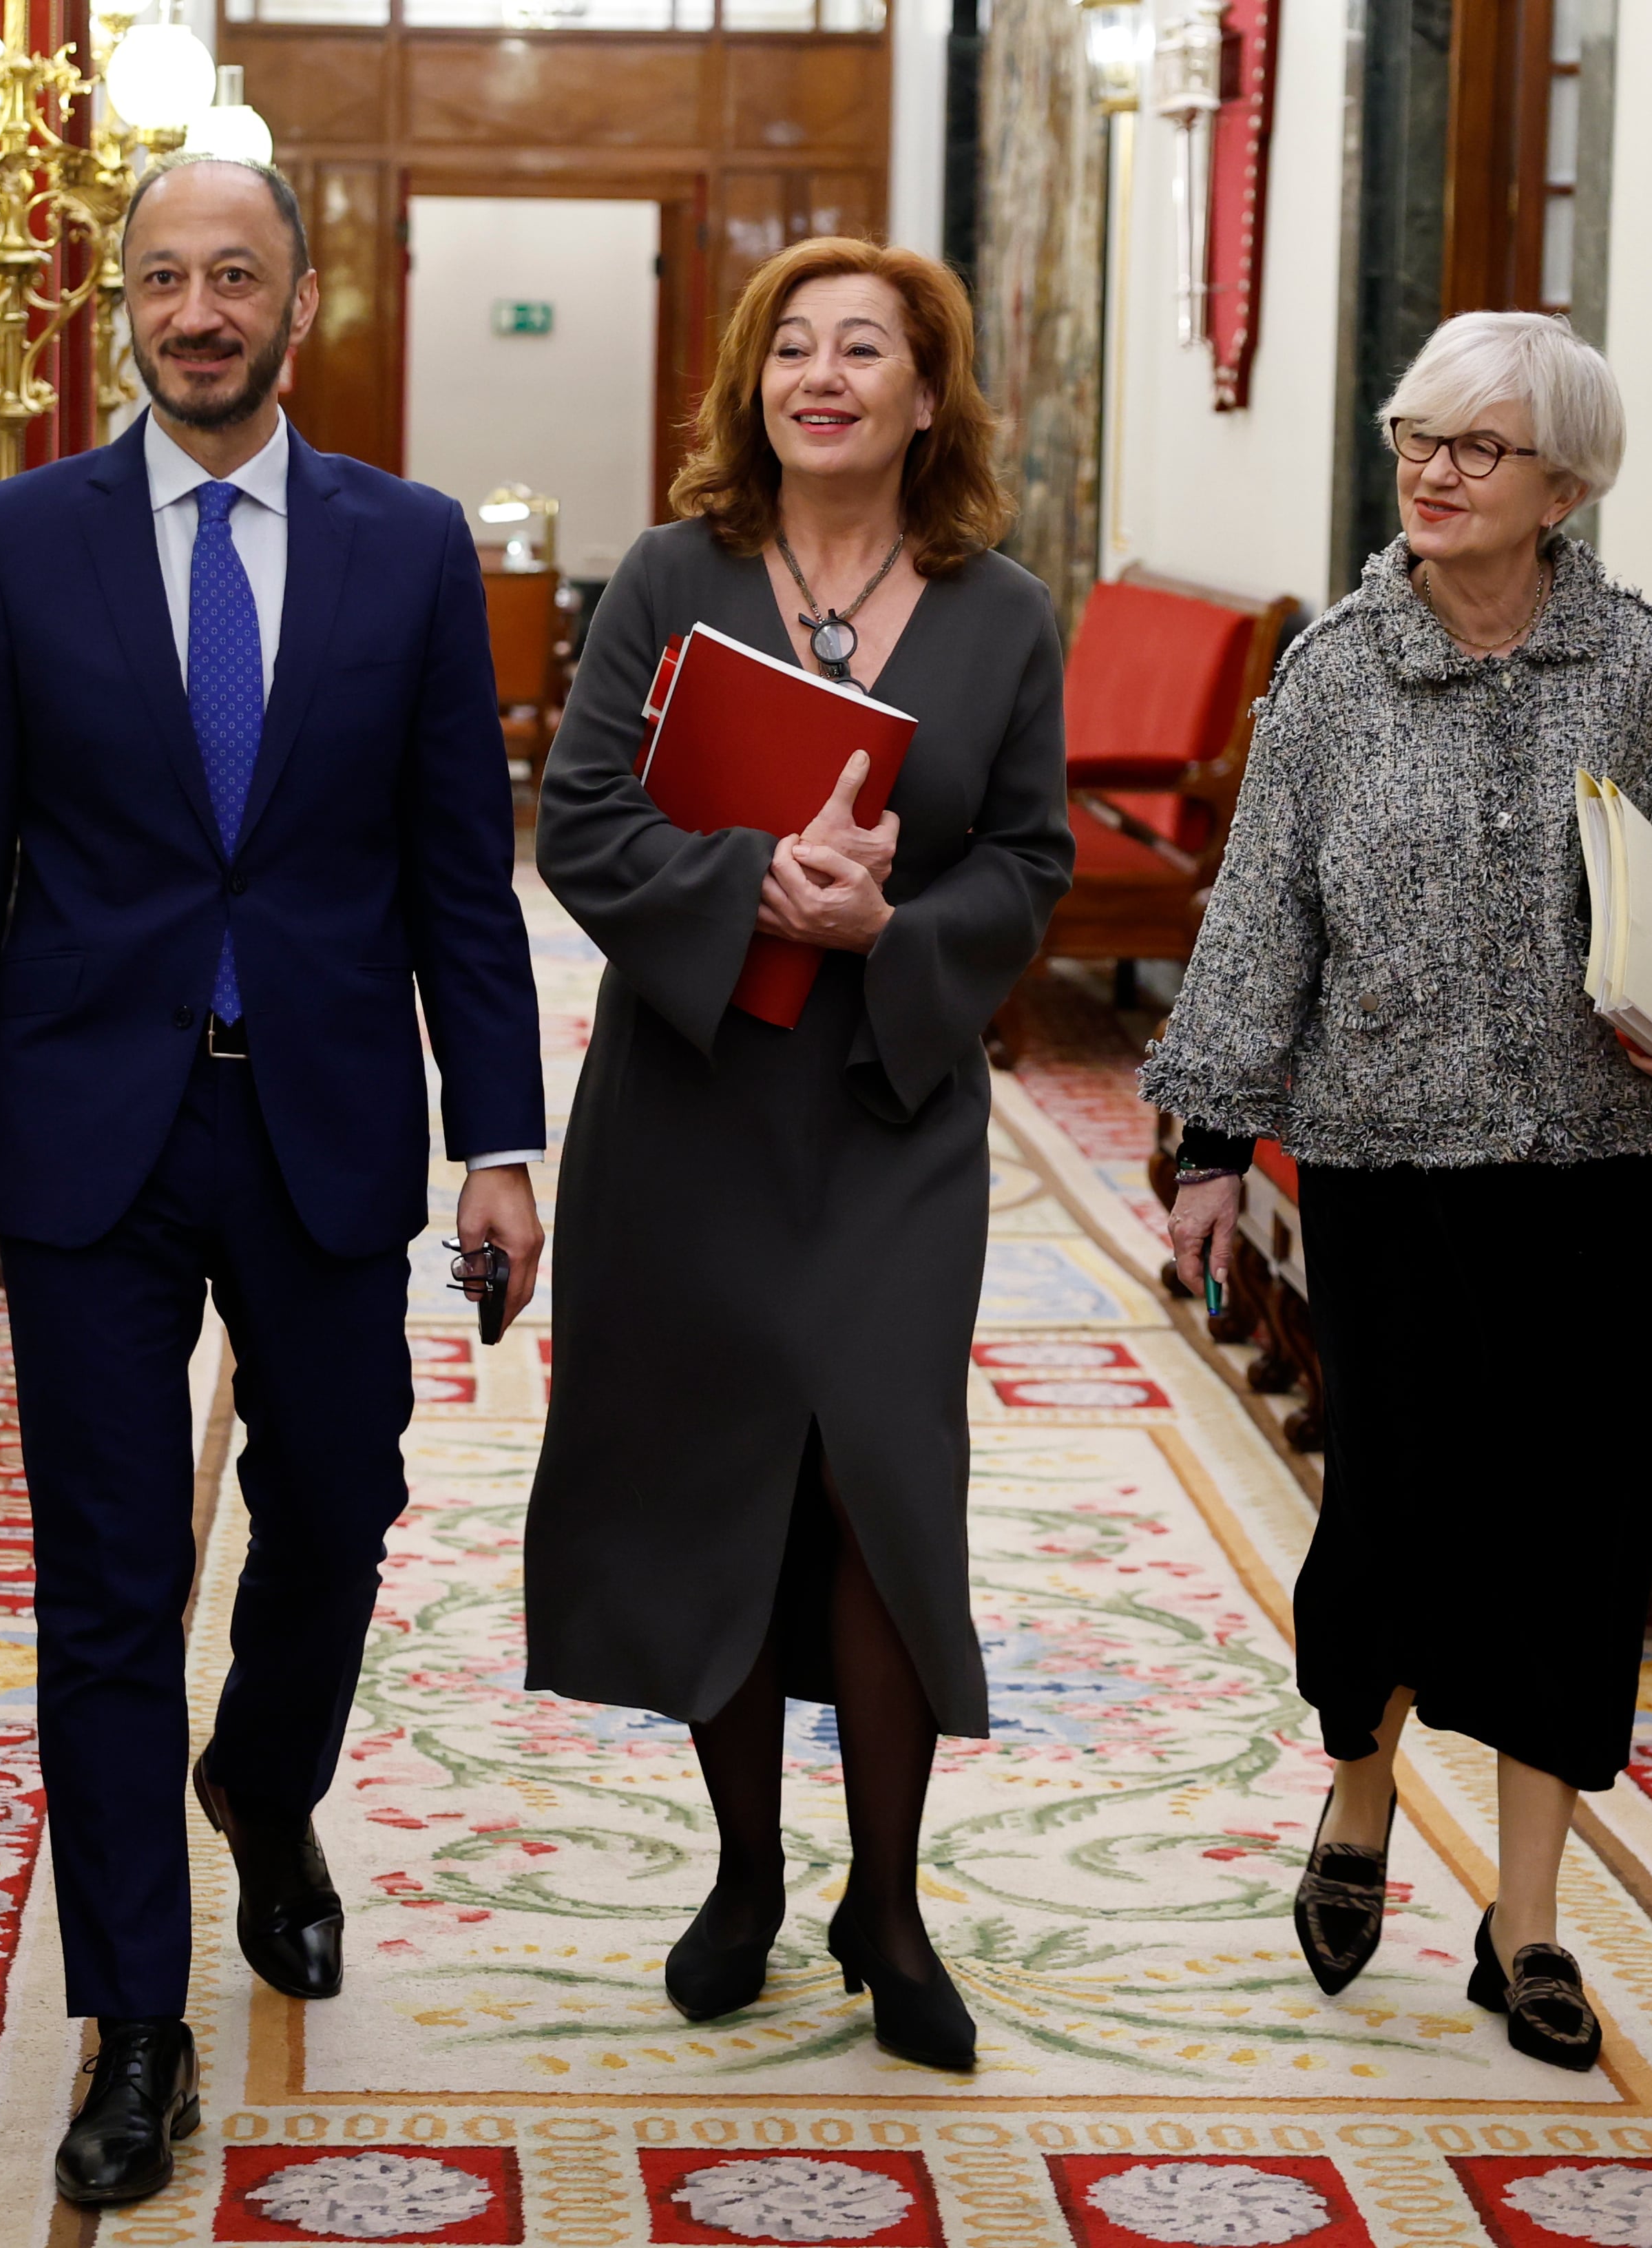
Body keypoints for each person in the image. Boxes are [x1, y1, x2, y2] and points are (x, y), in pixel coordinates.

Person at [0, 153, 546, 2205]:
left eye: (233, 275)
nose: (196, 308)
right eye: (162, 275)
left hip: (327, 1114)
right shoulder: (16, 544)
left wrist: (500, 1138)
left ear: (301, 299)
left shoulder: (409, 546)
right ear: (121, 301)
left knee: (339, 1501)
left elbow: (460, 867)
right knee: (105, 1583)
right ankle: (139, 2025)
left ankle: (264, 1775)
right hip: (88, 1126)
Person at [1144, 311, 1652, 2074]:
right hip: (1387, 1177)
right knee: (1398, 1519)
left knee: (1575, 1546)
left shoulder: (1639, 668)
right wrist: (1213, 1149)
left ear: (1565, 484)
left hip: (1606, 1181)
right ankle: (1360, 1798)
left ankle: (1529, 1925)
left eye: (1476, 448)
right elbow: (1257, 916)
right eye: (1412, 435)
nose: (1432, 472)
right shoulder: (1335, 677)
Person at [521, 238, 1069, 2074]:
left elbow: (1032, 866)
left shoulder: (1002, 613)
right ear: (754, 386)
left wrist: (881, 938)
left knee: (883, 1494)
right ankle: (747, 1874)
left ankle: (888, 1902)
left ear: (929, 394)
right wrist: (754, 883)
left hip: (891, 1117)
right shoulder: (671, 581)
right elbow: (582, 821)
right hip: (689, 1115)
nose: (823, 375)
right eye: (792, 349)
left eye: (867, 349)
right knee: (719, 1488)